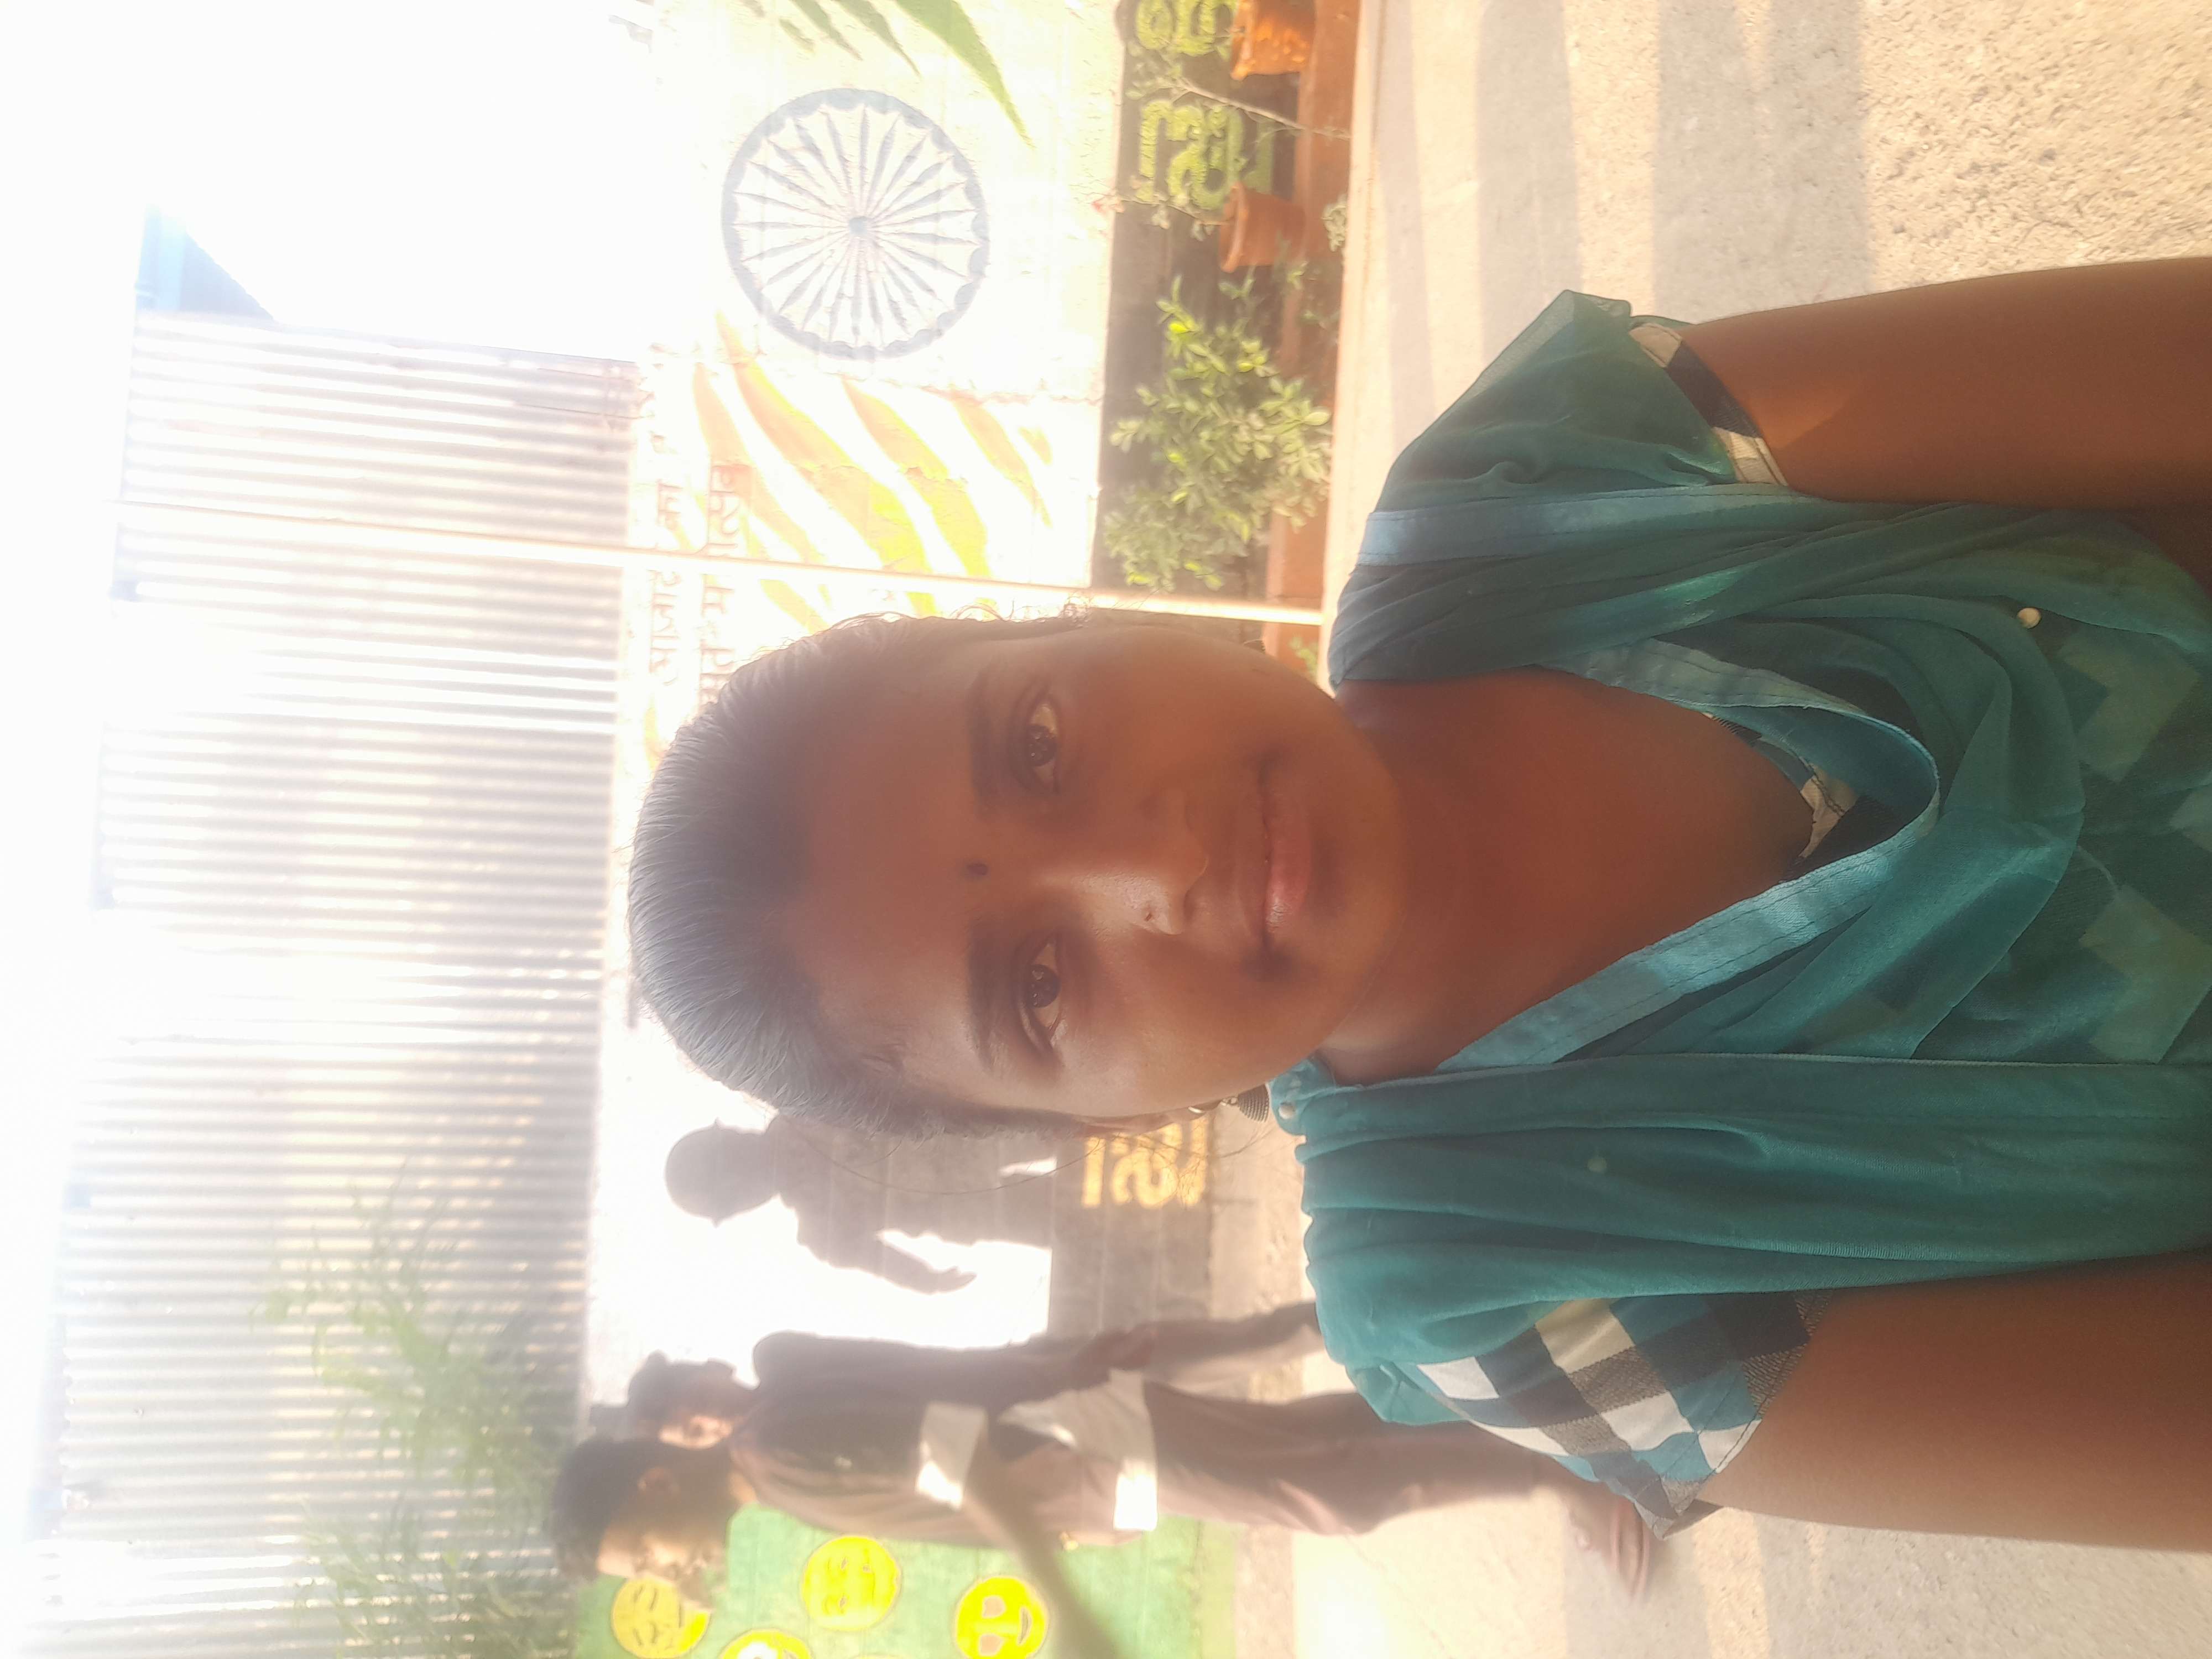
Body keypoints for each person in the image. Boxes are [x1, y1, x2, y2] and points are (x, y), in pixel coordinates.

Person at [623, 260, 2212, 1549]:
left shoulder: (1562, 481)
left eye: (1038, 745)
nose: (1151, 868)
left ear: (1083, 618)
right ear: (1104, 1121)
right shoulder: (1492, 1284)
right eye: (1037, 986)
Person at [551, 1305, 1653, 1639]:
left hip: (1080, 1447)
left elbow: (959, 1453)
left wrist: (1064, 1606)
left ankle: (1561, 1469)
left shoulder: (779, 1453)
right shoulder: (774, 1448)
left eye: (645, 1556)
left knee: (1327, 1488)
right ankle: (1540, 1412)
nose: (668, 1574)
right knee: (1313, 1443)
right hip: (1077, 1444)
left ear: (656, 1484)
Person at [664, 1116, 1058, 1294]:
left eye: (734, 1201)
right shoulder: (803, 1102)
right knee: (1070, 1181)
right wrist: (927, 1280)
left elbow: (876, 1258)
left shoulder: (806, 1105)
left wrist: (928, 1281)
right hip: (977, 1170)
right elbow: (878, 1259)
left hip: (976, 1150)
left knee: (1070, 1185)